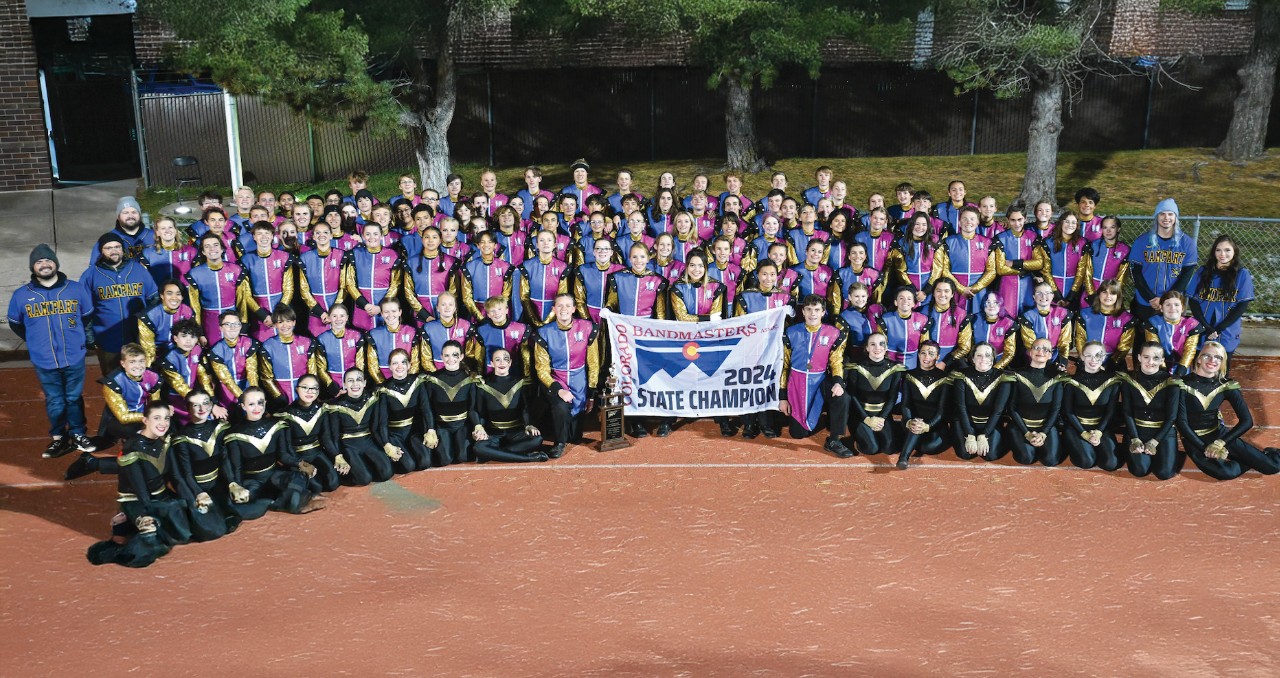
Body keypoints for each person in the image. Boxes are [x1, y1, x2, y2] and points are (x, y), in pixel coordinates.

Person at [8, 244, 97, 457]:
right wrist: (34, 340)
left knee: (73, 398)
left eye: (48, 260)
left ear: (55, 263)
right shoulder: (21, 295)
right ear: (33, 267)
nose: (44, 264)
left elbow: (86, 317)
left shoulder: (75, 289)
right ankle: (58, 437)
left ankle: (77, 434)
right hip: (44, 358)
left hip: (73, 355)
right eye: (39, 262)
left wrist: (78, 339)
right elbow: (16, 323)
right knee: (55, 400)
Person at [86, 402, 190, 567]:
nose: (162, 423)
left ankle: (128, 526)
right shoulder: (132, 449)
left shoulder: (166, 438)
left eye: (166, 419)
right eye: (157, 418)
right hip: (136, 500)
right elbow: (140, 491)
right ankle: (126, 531)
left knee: (184, 529)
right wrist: (146, 513)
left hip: (160, 494)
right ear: (145, 420)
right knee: (154, 542)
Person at [1177, 342, 1280, 480]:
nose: (1213, 360)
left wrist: (1220, 443)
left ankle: (1269, 454)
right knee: (1225, 473)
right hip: (1193, 439)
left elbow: (1247, 421)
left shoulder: (1227, 386)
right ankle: (1250, 460)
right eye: (1207, 355)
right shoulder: (1181, 385)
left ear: (1223, 362)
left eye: (1218, 358)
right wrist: (1204, 448)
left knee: (1272, 467)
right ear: (1199, 359)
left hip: (1219, 435)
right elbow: (1182, 424)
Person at [225, 386, 323, 517]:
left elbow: (283, 455)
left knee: (299, 477)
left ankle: (282, 501)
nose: (257, 408)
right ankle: (279, 502)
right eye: (251, 404)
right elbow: (237, 466)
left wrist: (299, 463)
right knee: (244, 504)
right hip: (252, 481)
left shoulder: (276, 425)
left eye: (260, 403)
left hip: (274, 476)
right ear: (243, 406)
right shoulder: (234, 434)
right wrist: (236, 485)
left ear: (265, 403)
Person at [779, 295, 852, 457]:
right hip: (796, 382)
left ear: (823, 312)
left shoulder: (833, 333)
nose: (813, 314)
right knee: (797, 434)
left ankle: (834, 439)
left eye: (817, 310)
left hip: (820, 380)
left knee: (843, 397)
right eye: (809, 310)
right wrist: (782, 396)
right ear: (803, 312)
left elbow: (836, 362)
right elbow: (784, 365)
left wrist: (839, 382)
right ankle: (820, 419)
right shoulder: (791, 332)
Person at [533, 294, 601, 458]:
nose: (564, 309)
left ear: (574, 309)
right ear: (554, 309)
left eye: (567, 306)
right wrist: (558, 390)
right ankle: (559, 443)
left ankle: (565, 434)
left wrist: (591, 395)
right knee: (561, 408)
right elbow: (541, 369)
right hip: (556, 379)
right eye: (560, 306)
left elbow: (593, 363)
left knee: (575, 436)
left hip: (579, 380)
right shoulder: (544, 333)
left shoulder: (587, 328)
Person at [169, 390, 241, 542]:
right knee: (211, 529)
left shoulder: (220, 427)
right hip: (196, 487)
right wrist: (198, 493)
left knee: (239, 510)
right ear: (187, 409)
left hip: (216, 484)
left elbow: (224, 459)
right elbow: (185, 473)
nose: (202, 409)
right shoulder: (182, 438)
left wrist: (232, 482)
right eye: (196, 405)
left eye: (205, 403)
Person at [83, 232, 158, 368]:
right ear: (101, 251)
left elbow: (153, 299)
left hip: (138, 337)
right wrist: (89, 336)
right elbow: (85, 309)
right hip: (107, 338)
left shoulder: (138, 269)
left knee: (139, 377)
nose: (114, 251)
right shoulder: (90, 274)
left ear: (122, 249)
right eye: (108, 248)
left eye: (117, 247)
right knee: (112, 381)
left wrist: (150, 327)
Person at [1120, 343, 1183, 480]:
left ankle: (1171, 452)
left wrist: (1155, 441)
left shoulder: (1171, 381)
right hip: (1137, 429)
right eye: (1146, 357)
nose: (1150, 362)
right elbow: (1127, 411)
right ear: (1139, 357)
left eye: (1156, 358)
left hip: (1163, 431)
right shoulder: (1128, 379)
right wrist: (1135, 438)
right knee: (1139, 471)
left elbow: (1172, 416)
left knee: (1164, 474)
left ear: (1161, 360)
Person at [1188, 234, 1254, 365]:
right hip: (1202, 327)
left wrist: (1219, 329)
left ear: (1234, 252)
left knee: (1222, 370)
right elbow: (1193, 301)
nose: (1222, 254)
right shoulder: (1203, 272)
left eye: (1227, 250)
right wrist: (1206, 327)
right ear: (1214, 252)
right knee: (1198, 366)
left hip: (1227, 330)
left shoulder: (1242, 274)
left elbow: (1242, 306)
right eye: (1218, 250)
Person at [473, 349, 549, 463]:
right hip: (494, 434)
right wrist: (479, 428)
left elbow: (525, 408)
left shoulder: (520, 382)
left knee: (537, 439)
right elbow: (479, 411)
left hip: (516, 433)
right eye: (497, 360)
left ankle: (494, 453)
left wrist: (528, 425)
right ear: (492, 364)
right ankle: (529, 458)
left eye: (505, 359)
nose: (502, 363)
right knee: (478, 447)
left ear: (510, 362)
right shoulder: (483, 385)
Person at [1128, 198, 1197, 321]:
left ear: (1176, 217)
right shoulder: (1142, 241)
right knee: (1142, 338)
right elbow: (1136, 273)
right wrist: (1150, 298)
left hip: (1173, 304)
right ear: (1156, 216)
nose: (1166, 218)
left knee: (1171, 339)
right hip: (1145, 302)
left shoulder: (1187, 243)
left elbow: (1186, 275)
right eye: (1162, 214)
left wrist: (1167, 299)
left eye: (1170, 214)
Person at [322, 368, 393, 486]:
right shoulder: (336, 405)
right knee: (364, 479)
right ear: (344, 384)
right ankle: (349, 474)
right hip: (348, 446)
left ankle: (362, 466)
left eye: (359, 380)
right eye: (350, 381)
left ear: (365, 383)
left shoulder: (372, 398)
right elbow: (333, 436)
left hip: (367, 441)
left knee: (386, 473)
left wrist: (385, 444)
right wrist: (337, 455)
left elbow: (376, 427)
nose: (355, 384)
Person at [1062, 341, 1124, 471]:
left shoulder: (1112, 380)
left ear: (1104, 357)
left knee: (1110, 464)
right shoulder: (1071, 381)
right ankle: (1074, 445)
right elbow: (1068, 412)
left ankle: (1092, 447)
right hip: (1076, 427)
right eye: (1088, 355)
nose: (1093, 360)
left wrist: (1099, 431)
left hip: (1101, 427)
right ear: (1082, 357)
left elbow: (1110, 411)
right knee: (1086, 461)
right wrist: (1084, 434)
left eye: (1098, 356)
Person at [842, 333, 904, 457]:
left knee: (889, 449)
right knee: (871, 448)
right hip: (860, 415)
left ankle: (884, 431)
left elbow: (892, 397)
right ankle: (859, 435)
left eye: (882, 344)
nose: (877, 348)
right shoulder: (856, 367)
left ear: (886, 347)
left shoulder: (895, 368)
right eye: (873, 344)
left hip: (882, 415)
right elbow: (852, 396)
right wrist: (867, 419)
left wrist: (882, 417)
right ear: (867, 348)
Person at [422, 341, 481, 466]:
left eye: (455, 355)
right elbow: (427, 408)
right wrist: (430, 429)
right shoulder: (433, 379)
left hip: (462, 425)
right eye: (446, 355)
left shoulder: (470, 379)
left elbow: (473, 407)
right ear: (441, 357)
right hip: (442, 426)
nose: (450, 359)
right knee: (445, 460)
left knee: (463, 456)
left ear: (461, 356)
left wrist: (477, 425)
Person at [895, 341, 953, 470]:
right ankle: (903, 458)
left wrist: (928, 426)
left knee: (928, 448)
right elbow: (906, 404)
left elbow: (942, 410)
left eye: (931, 354)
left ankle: (914, 438)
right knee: (916, 425)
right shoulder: (909, 375)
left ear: (937, 357)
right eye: (923, 353)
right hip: (916, 422)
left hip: (935, 425)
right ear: (918, 354)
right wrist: (909, 420)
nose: (926, 357)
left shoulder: (945, 379)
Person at [279, 374, 340, 493]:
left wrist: (337, 455)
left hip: (316, 453)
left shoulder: (321, 410)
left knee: (333, 483)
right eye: (305, 387)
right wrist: (299, 463)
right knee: (316, 488)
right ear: (297, 389)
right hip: (297, 456)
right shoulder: (286, 414)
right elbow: (287, 446)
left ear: (318, 392)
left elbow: (326, 438)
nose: (309, 391)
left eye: (314, 388)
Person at [186, 232, 250, 345]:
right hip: (209, 323)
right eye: (207, 246)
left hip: (233, 322)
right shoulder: (195, 274)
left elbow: (242, 300)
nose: (212, 249)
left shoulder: (235, 270)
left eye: (215, 245)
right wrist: (200, 332)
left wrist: (243, 326)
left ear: (222, 249)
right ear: (203, 251)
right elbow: (195, 306)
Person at [952, 342, 1010, 462]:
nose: (983, 359)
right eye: (979, 355)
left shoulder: (1003, 377)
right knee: (966, 454)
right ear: (972, 358)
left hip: (990, 422)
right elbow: (961, 407)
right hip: (966, 421)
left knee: (990, 455)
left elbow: (998, 410)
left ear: (993, 358)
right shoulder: (962, 376)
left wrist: (985, 435)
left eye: (988, 355)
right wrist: (969, 434)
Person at [343, 221, 403, 332]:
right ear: (363, 236)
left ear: (381, 235)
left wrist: (381, 307)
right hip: (362, 308)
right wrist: (364, 305)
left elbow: (395, 283)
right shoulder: (355, 254)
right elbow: (349, 283)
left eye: (375, 234)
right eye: (368, 234)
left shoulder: (393, 255)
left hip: (385, 308)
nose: (372, 237)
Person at [376, 349, 429, 473]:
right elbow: (382, 422)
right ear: (389, 366)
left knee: (425, 462)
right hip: (395, 435)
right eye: (395, 363)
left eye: (403, 362)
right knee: (409, 466)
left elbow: (426, 409)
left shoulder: (418, 382)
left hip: (413, 432)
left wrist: (430, 429)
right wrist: (387, 444)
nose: (400, 366)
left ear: (409, 365)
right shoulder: (384, 389)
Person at [992, 204, 1049, 318]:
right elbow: (1001, 268)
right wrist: (1026, 270)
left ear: (1025, 219)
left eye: (1019, 219)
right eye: (1013, 220)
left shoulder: (1033, 237)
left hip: (1027, 285)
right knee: (1007, 315)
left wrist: (1015, 263)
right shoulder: (1001, 238)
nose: (1016, 224)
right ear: (1008, 220)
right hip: (1007, 284)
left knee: (1027, 315)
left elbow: (1039, 263)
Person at [157, 319, 218, 426]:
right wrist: (203, 404)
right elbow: (180, 386)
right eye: (184, 336)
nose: (188, 341)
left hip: (194, 397)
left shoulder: (197, 351)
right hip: (176, 401)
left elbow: (203, 377)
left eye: (193, 336)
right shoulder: (168, 358)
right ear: (175, 338)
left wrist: (212, 401)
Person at [258, 303, 317, 408]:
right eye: (280, 322)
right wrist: (278, 396)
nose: (285, 325)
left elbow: (312, 373)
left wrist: (310, 392)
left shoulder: (306, 343)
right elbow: (266, 377)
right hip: (281, 397)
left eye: (288, 321)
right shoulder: (268, 346)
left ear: (294, 322)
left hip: (305, 394)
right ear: (275, 324)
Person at [940, 206, 996, 313]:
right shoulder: (948, 242)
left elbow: (991, 270)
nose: (968, 222)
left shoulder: (987, 243)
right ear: (959, 222)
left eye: (972, 219)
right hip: (955, 290)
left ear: (978, 222)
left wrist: (975, 288)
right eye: (964, 219)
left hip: (979, 291)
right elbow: (944, 269)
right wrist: (961, 288)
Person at [297, 221, 347, 338]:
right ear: (313, 236)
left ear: (331, 235)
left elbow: (344, 285)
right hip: (315, 310)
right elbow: (304, 289)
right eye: (318, 233)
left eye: (325, 232)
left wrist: (334, 312)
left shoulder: (341, 255)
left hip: (337, 307)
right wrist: (321, 313)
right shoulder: (305, 258)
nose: (321, 235)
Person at [1073, 278, 1135, 371]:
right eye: (1104, 292)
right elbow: (1080, 339)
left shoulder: (1127, 318)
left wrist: (1109, 365)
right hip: (1088, 361)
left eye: (1113, 293)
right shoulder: (1084, 314)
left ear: (1118, 296)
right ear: (1099, 294)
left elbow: (1124, 347)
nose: (1108, 296)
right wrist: (1085, 359)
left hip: (1113, 363)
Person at [402, 225, 460, 324]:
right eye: (427, 237)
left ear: (440, 240)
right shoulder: (411, 262)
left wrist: (446, 311)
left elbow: (453, 291)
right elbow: (408, 292)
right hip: (420, 312)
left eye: (434, 237)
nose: (430, 240)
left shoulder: (450, 261)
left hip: (445, 311)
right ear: (422, 239)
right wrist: (424, 314)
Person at [206, 310, 261, 411]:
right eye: (228, 324)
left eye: (236, 324)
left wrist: (254, 393)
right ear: (220, 328)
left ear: (241, 326)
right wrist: (243, 398)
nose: (233, 327)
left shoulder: (249, 343)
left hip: (248, 388)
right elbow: (226, 379)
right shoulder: (216, 350)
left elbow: (252, 372)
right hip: (226, 394)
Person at [465, 296, 531, 378]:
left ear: (507, 310)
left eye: (499, 309)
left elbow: (526, 356)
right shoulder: (482, 331)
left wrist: (527, 376)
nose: (496, 313)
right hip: (490, 374)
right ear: (488, 314)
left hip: (514, 373)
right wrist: (479, 374)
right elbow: (479, 357)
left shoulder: (521, 329)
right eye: (492, 311)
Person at [136, 279, 195, 366]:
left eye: (178, 294)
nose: (174, 297)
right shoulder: (149, 316)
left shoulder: (187, 312)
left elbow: (190, 339)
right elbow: (148, 349)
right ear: (162, 296)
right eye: (169, 293)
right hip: (156, 357)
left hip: (178, 356)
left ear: (182, 297)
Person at [1144, 290, 1202, 377]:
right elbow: (1154, 348)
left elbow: (1190, 350)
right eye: (1168, 305)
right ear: (1161, 307)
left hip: (1183, 367)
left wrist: (1181, 370)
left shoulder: (1191, 324)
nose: (1172, 308)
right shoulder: (1154, 323)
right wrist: (1163, 370)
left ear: (1182, 308)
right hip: (1158, 366)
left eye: (1176, 305)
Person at [1018, 281, 1073, 369]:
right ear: (1034, 297)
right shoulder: (1027, 316)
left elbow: (1065, 342)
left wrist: (1063, 361)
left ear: (1052, 296)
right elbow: (1030, 344)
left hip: (1056, 357)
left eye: (1047, 293)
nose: (1043, 297)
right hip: (1034, 358)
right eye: (1039, 293)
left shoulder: (1063, 313)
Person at [520, 229, 569, 327]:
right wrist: (533, 319)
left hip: (554, 313)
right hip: (531, 312)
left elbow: (562, 296)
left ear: (555, 245)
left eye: (549, 240)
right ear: (537, 244)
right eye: (542, 240)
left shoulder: (562, 266)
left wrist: (549, 319)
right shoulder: (527, 265)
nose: (546, 243)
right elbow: (524, 296)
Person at [459, 231, 513, 321]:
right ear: (478, 245)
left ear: (495, 245)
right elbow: (466, 297)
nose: (486, 245)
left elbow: (506, 295)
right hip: (477, 312)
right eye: (482, 242)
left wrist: (498, 313)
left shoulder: (505, 266)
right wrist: (480, 318)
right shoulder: (469, 267)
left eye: (490, 242)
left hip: (499, 314)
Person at [364, 297, 419, 383]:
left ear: (400, 312)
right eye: (386, 312)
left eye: (393, 311)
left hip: (408, 382)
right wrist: (384, 385)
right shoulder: (374, 335)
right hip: (383, 383)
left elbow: (415, 363)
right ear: (381, 313)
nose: (390, 315)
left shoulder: (411, 332)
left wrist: (407, 382)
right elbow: (373, 366)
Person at [1042, 212, 1092, 307]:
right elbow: (1046, 271)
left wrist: (1071, 296)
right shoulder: (1048, 242)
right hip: (1052, 290)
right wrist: (1056, 295)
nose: (1070, 225)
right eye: (1067, 221)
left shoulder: (1083, 243)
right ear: (1061, 223)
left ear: (1077, 225)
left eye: (1073, 222)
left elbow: (1081, 271)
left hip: (1073, 292)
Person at [875, 286, 930, 369]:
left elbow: (925, 346)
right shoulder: (885, 320)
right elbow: (880, 345)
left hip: (913, 365)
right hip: (890, 365)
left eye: (909, 299)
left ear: (913, 303)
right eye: (901, 298)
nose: (905, 301)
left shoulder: (922, 320)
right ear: (896, 302)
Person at [923, 278, 973, 369]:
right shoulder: (922, 312)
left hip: (951, 362)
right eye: (938, 291)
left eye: (946, 291)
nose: (942, 294)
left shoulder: (962, 315)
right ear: (933, 293)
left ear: (952, 294)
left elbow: (964, 347)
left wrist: (944, 363)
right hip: (925, 361)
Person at [89, 196, 155, 264]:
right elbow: (94, 270)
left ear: (139, 215)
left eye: (134, 212)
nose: (130, 216)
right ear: (118, 217)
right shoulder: (107, 240)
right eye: (125, 213)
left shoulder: (154, 235)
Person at [419, 292, 472, 371]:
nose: (447, 308)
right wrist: (437, 376)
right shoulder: (428, 328)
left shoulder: (466, 326)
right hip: (437, 373)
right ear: (437, 308)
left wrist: (464, 372)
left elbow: (470, 354)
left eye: (450, 305)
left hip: (461, 372)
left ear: (455, 308)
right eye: (443, 305)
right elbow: (426, 359)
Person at [574, 239, 624, 322]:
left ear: (611, 252)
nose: (602, 251)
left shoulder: (621, 271)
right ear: (593, 252)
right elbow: (579, 299)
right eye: (598, 248)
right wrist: (587, 320)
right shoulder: (583, 270)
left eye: (606, 248)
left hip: (613, 318)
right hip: (590, 315)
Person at [670, 251, 725, 322]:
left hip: (708, 331)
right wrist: (707, 318)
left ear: (705, 268)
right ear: (686, 266)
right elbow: (682, 317)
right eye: (692, 265)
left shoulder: (716, 286)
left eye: (700, 266)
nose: (696, 269)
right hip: (686, 331)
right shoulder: (678, 287)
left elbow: (715, 316)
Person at [142, 217, 196, 288]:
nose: (167, 231)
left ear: (175, 230)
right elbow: (144, 279)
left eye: (170, 227)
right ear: (157, 232)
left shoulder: (190, 251)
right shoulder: (148, 254)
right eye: (163, 228)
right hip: (159, 295)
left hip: (184, 294)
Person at [1085, 216, 1130, 301]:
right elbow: (1087, 271)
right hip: (1090, 293)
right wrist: (1091, 294)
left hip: (1110, 296)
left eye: (1112, 227)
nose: (1108, 231)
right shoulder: (1093, 246)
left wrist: (1111, 296)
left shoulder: (1125, 250)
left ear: (1118, 229)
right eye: (1105, 227)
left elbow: (1121, 278)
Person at [970, 291, 1017, 369]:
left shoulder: (1009, 323)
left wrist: (996, 368)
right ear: (983, 304)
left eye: (996, 302)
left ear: (1001, 305)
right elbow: (969, 346)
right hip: (976, 363)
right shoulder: (974, 319)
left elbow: (1009, 352)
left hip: (999, 363)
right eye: (988, 302)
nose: (991, 305)